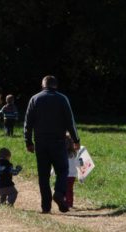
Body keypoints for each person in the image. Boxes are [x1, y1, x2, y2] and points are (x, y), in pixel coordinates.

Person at [24, 75, 80, 213]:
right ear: (56, 85)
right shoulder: (62, 99)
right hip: (58, 142)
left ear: (43, 85)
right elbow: (70, 121)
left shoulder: (35, 99)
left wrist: (28, 142)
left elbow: (28, 123)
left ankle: (46, 206)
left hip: (40, 143)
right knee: (62, 171)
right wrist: (76, 140)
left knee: (43, 175)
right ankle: (59, 194)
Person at [65, 133, 83, 208]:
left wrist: (53, 172)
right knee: (69, 189)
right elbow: (79, 164)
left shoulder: (63, 154)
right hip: (72, 175)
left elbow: (57, 164)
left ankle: (66, 202)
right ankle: (69, 203)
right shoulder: (75, 154)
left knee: (64, 188)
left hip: (64, 175)